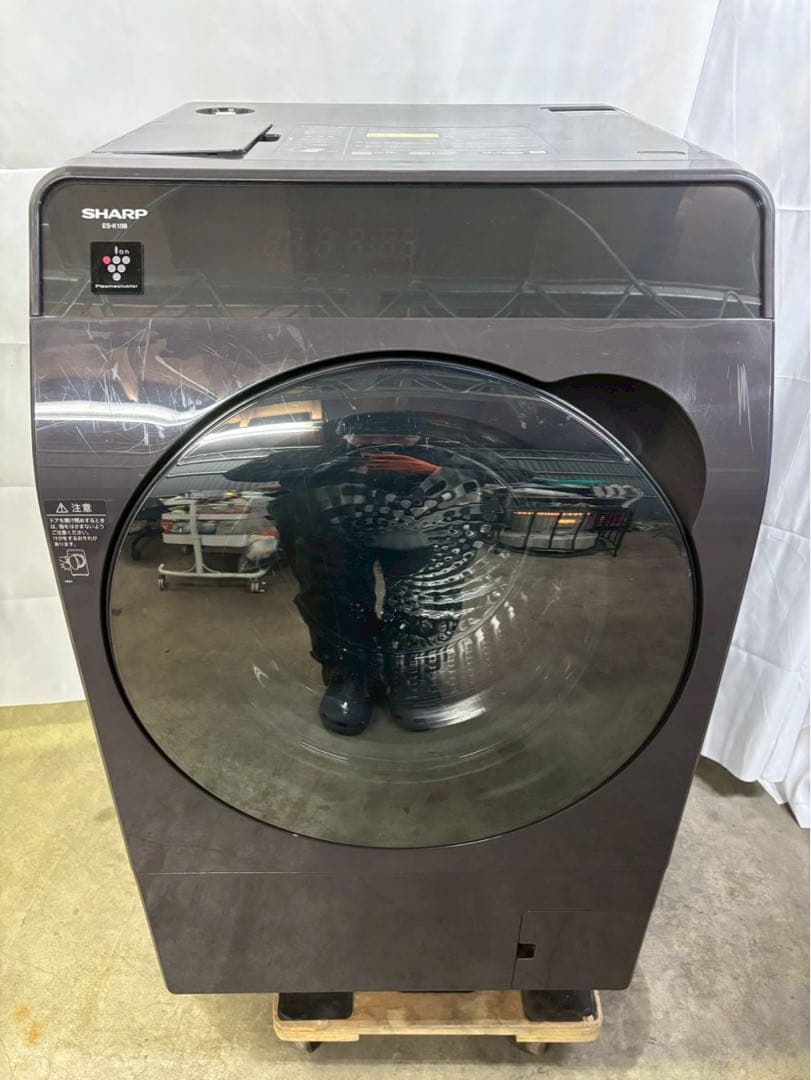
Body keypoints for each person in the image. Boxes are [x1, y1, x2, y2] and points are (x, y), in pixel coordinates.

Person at [269, 411, 498, 735]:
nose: (381, 446)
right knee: (335, 597)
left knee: (424, 597)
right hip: (339, 534)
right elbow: (246, 471)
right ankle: (350, 674)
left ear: (417, 438)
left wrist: (433, 471)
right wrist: (331, 467)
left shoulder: (436, 454)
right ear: (348, 437)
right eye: (368, 438)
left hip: (420, 533)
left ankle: (410, 674)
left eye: (396, 438)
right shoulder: (333, 454)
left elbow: (514, 471)